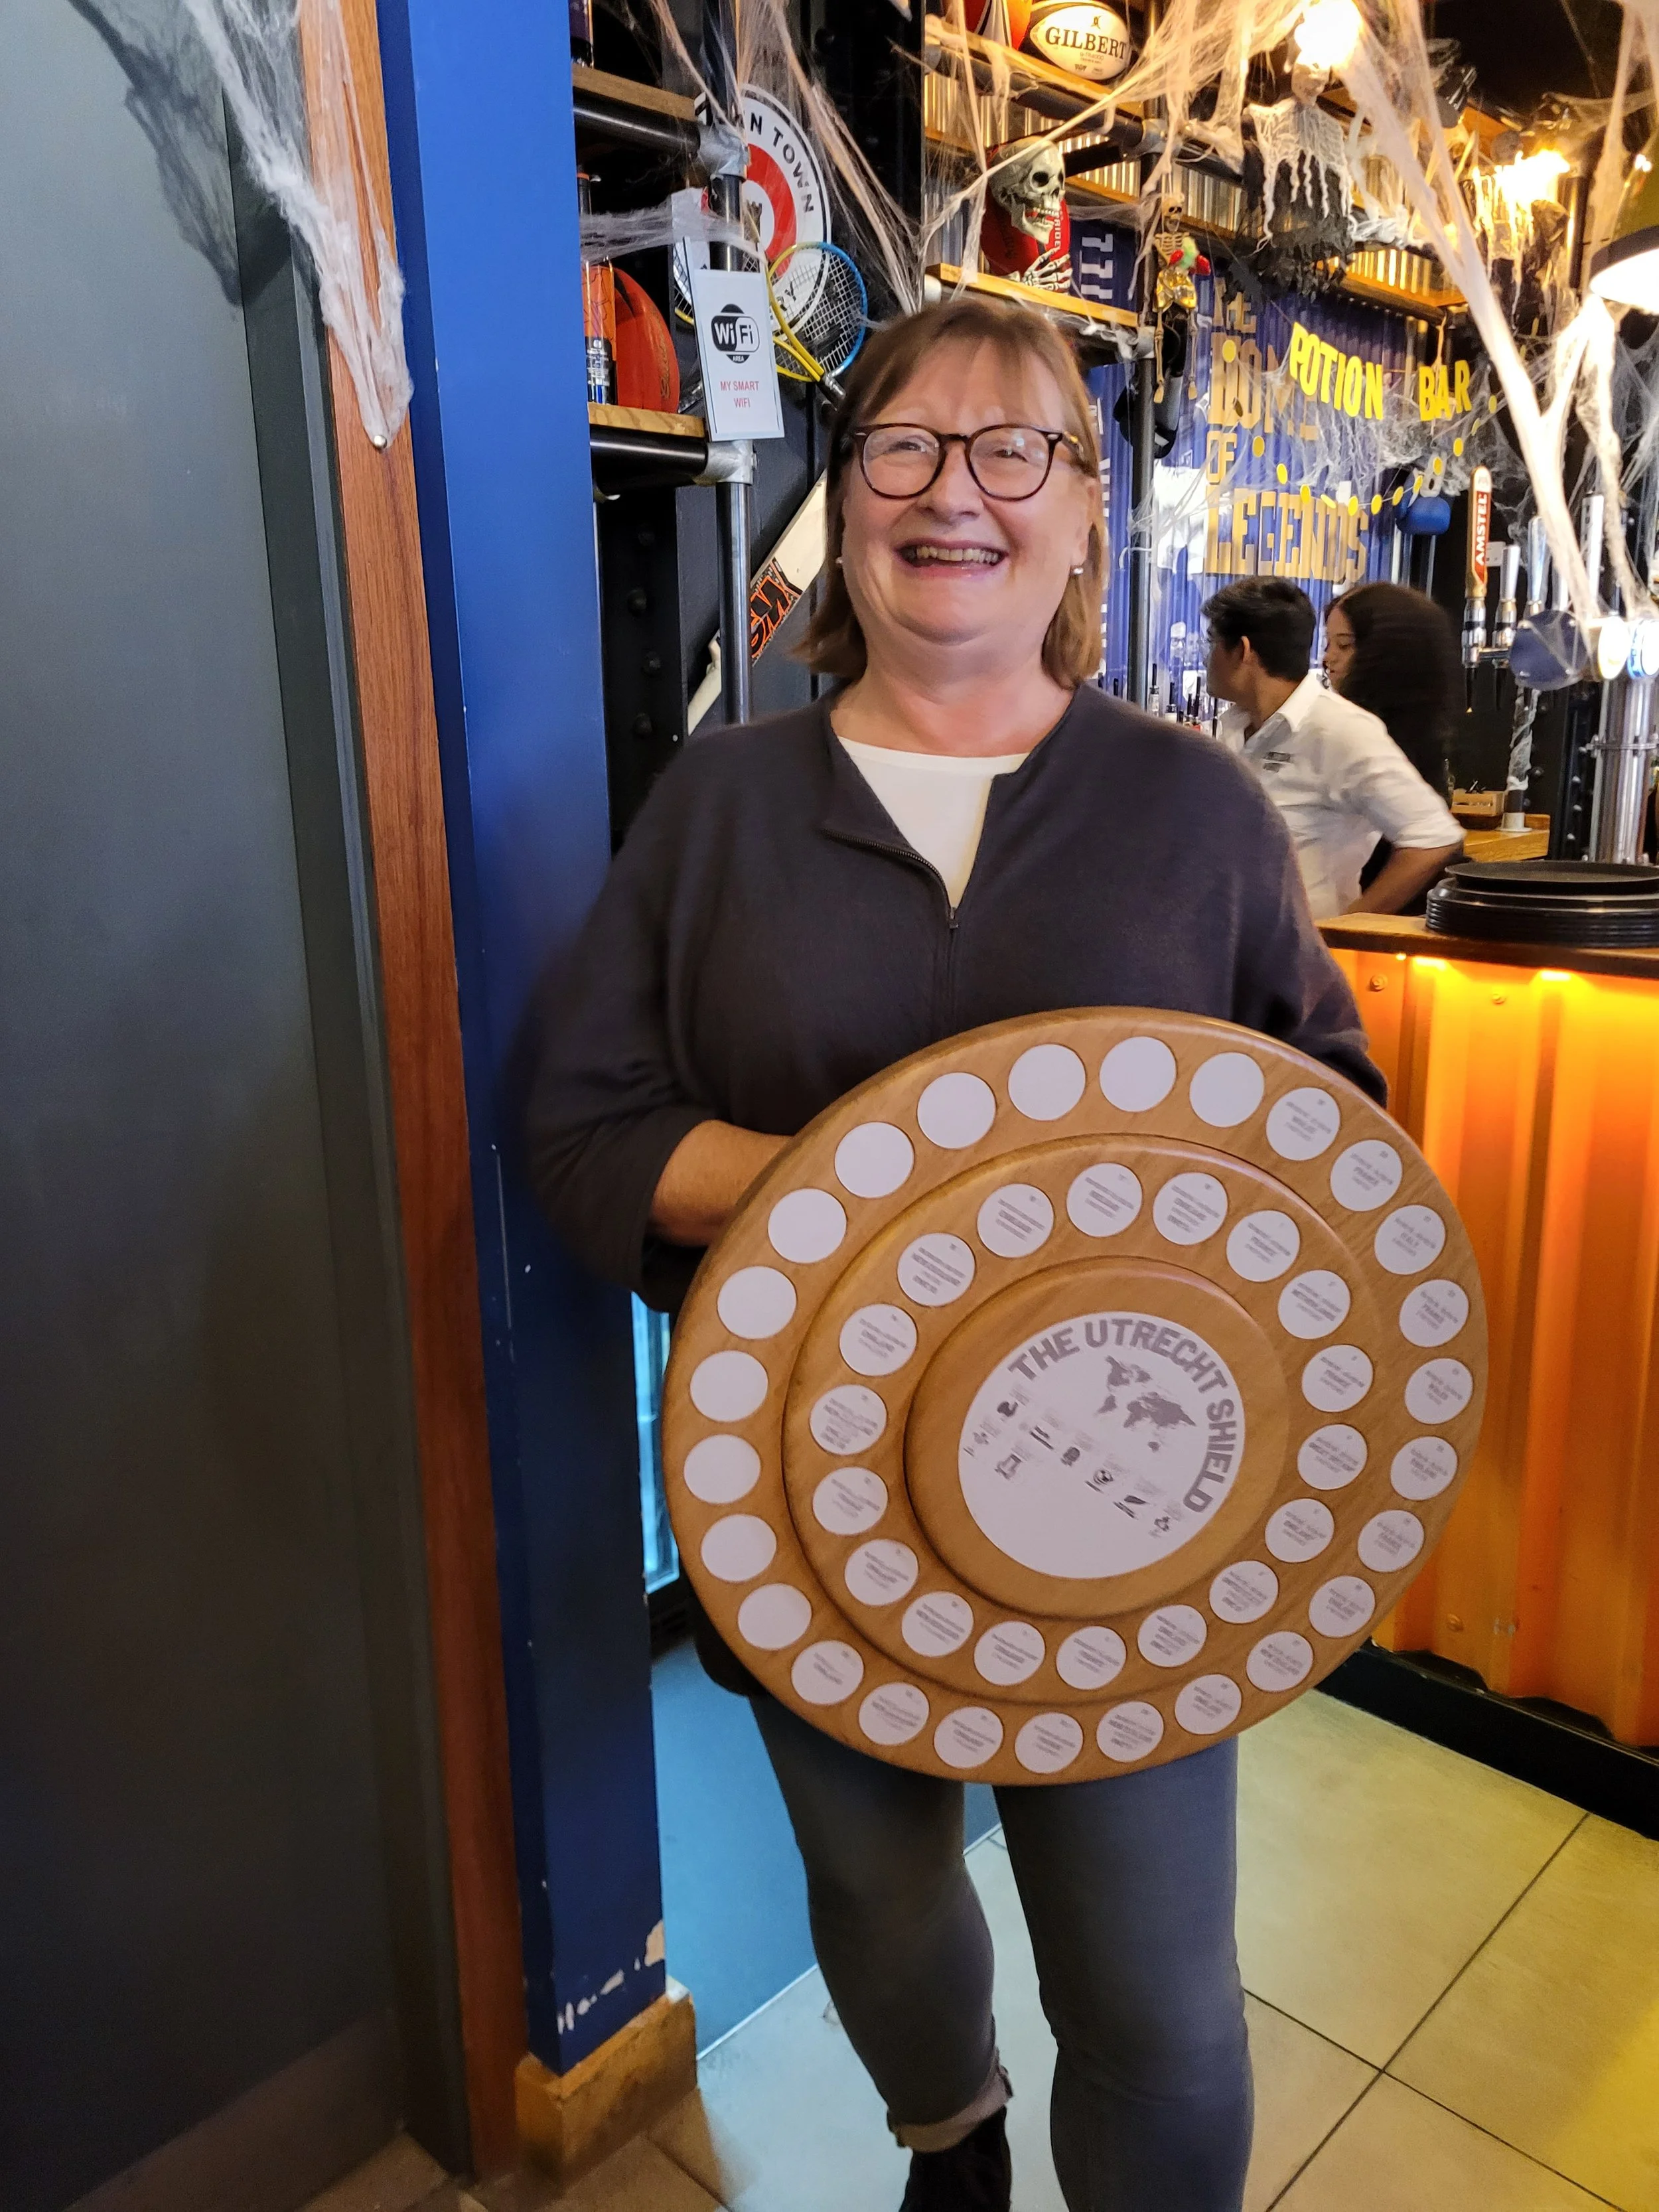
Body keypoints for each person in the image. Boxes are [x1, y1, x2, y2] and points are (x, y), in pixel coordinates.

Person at [529, 296, 1383, 2212]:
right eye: (903, 446)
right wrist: (867, 1189)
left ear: (1083, 512)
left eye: (1019, 451)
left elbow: (1331, 1141)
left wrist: (1091, 1226)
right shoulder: (719, 807)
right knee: (878, 1886)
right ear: (847, 501)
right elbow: (581, 1126)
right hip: (802, 1496)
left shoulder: (1193, 808)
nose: (956, 493)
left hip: (1127, 1507)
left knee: (1158, 2004)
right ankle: (951, 2130)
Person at [1204, 575, 1463, 920]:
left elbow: (1433, 838)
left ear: (1243, 651)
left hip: (1300, 956)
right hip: (1232, 946)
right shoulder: (1235, 725)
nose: (1208, 658)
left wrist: (1345, 932)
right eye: (1329, 644)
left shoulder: (1339, 729)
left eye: (1213, 643)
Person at [1322, 582, 1462, 903]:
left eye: (1344, 646)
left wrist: (1351, 927)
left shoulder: (1367, 737)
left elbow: (1431, 842)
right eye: (1329, 644)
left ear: (1388, 654)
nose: (1328, 658)